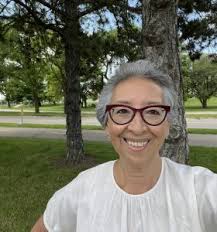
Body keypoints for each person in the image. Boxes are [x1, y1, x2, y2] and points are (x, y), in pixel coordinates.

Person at [31, 60, 217, 232]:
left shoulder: (200, 189)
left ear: (167, 124)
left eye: (153, 111)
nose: (137, 128)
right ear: (107, 124)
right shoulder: (81, 189)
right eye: (122, 111)